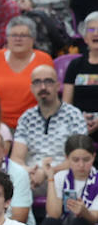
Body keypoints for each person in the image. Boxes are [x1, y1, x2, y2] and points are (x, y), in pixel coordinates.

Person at [10, 64, 87, 192]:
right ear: (31, 88)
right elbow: (16, 158)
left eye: (48, 81)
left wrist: (47, 173)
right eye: (37, 82)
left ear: (57, 86)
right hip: (31, 178)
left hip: (64, 176)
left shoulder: (73, 115)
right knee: (9, 185)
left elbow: (80, 158)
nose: (43, 87)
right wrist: (28, 172)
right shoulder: (26, 118)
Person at [0, 15, 54, 129]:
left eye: (23, 35)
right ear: (7, 38)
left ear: (33, 39)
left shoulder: (44, 59)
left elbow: (49, 98)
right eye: (13, 35)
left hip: (33, 125)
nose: (18, 39)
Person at [37, 133, 98, 225]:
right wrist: (50, 177)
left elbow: (95, 217)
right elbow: (54, 214)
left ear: (94, 157)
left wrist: (84, 212)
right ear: (67, 158)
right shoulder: (60, 177)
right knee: (50, 223)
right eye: (75, 160)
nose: (81, 165)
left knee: (79, 223)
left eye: (86, 160)